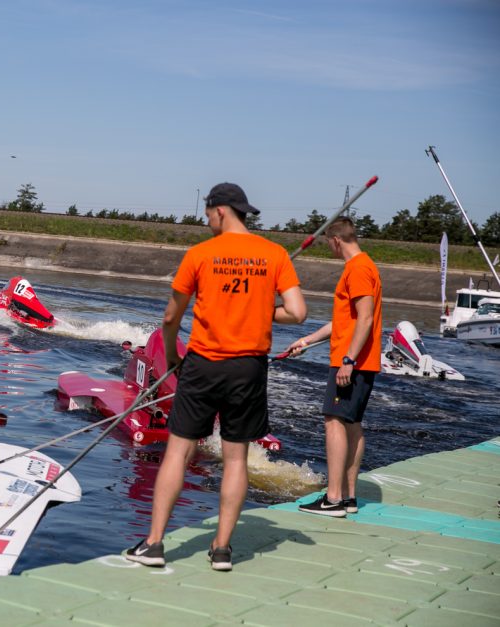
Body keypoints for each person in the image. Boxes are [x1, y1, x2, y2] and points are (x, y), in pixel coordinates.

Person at [124, 183, 306, 571]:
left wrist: (172, 356)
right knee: (236, 457)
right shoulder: (274, 254)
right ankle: (222, 549)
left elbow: (171, 318)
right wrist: (260, 307)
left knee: (178, 451)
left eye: (207, 214)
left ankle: (154, 544)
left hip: (204, 364)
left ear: (220, 210)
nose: (206, 221)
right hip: (249, 368)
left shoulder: (200, 254)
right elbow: (297, 312)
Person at [288, 217, 382, 518]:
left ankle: (333, 498)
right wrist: (306, 340)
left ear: (336, 240)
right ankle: (349, 498)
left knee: (333, 421)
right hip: (356, 361)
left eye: (329, 244)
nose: (330, 249)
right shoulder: (363, 267)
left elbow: (366, 318)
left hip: (351, 362)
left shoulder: (357, 269)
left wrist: (349, 360)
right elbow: (345, 321)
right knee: (351, 424)